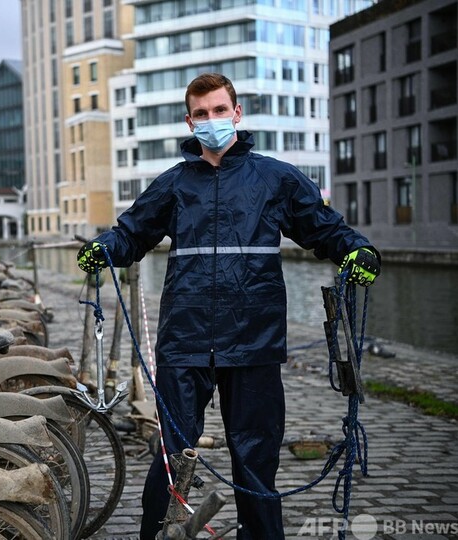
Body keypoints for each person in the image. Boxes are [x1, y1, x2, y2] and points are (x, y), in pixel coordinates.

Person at [76, 73, 380, 539]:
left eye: (220, 110)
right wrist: (105, 249)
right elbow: (132, 233)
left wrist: (358, 250)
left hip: (253, 340)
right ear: (189, 120)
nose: (212, 120)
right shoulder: (174, 185)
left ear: (236, 114)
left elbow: (324, 227)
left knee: (255, 460)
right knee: (171, 455)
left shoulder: (275, 178)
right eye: (202, 113)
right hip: (185, 341)